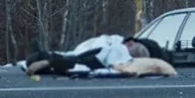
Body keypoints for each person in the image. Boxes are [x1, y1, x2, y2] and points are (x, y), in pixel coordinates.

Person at [24, 35, 177, 77]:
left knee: (72, 60)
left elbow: (120, 64)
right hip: (101, 55)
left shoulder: (121, 52)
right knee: (71, 58)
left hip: (99, 57)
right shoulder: (121, 48)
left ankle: (42, 59)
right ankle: (42, 58)